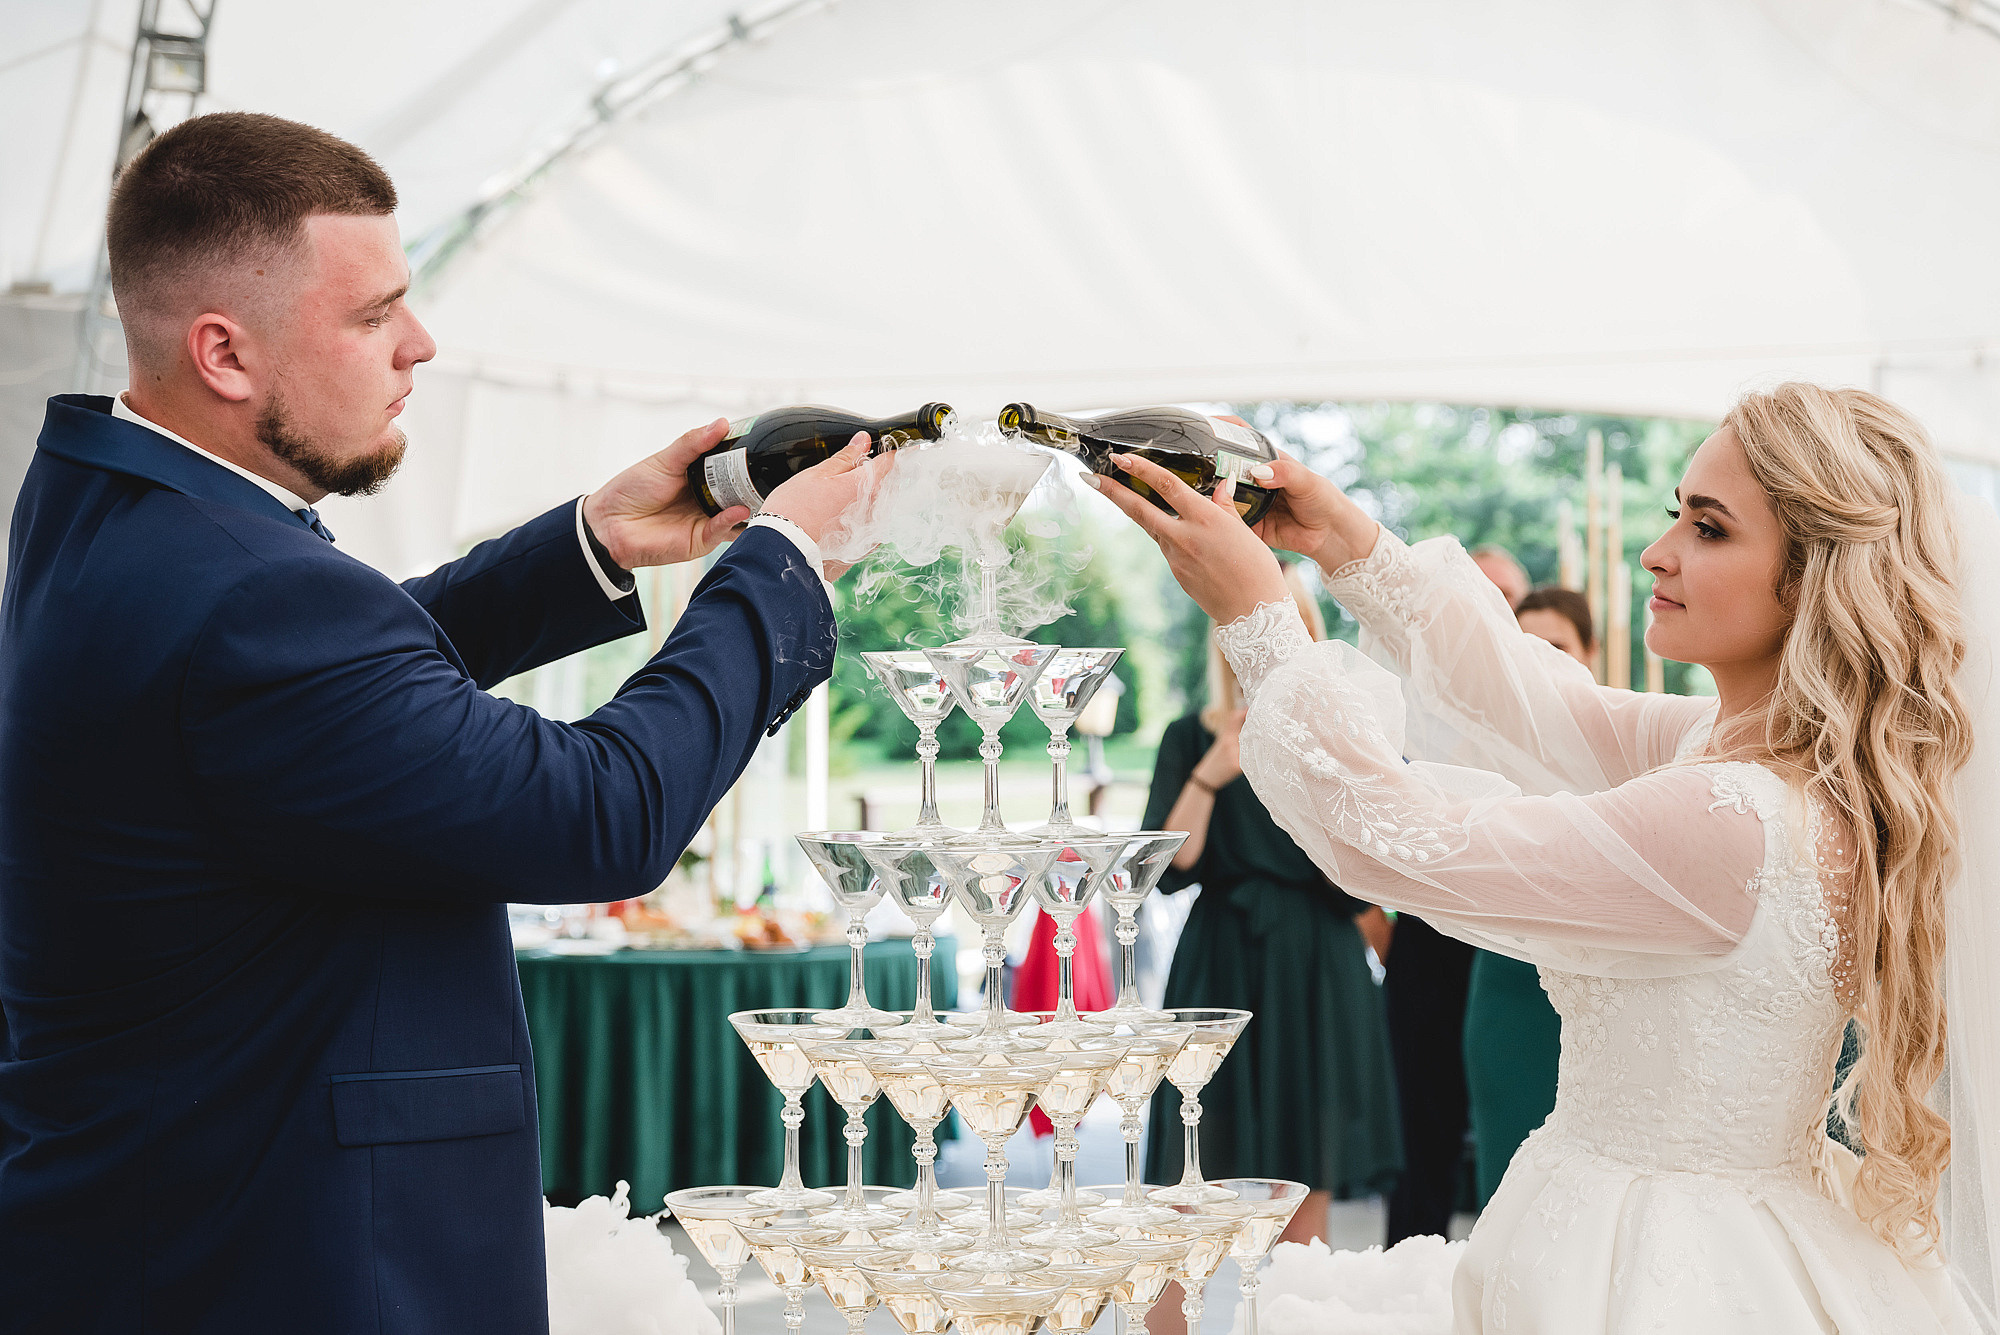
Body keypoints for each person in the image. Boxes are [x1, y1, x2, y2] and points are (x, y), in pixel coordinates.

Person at [0, 113, 885, 1334]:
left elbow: (329, 698)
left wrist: (586, 545)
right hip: (282, 1266)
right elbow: (601, 814)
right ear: (224, 353)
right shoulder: (250, 599)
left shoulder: (112, 508)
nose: (419, 344)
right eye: (374, 315)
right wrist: (779, 569)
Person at [1091, 387, 1995, 1330]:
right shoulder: (1766, 766)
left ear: (1814, 578)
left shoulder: (1734, 818)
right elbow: (1538, 703)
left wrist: (1260, 621)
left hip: (1660, 1265)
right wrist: (1346, 541)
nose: (1658, 551)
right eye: (1675, 513)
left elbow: (1405, 841)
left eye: (1710, 528)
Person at [1141, 562, 1401, 1257]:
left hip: (1316, 960)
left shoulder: (1340, 740)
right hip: (1221, 955)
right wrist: (1211, 774)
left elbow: (1361, 876)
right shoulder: (1190, 736)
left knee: (1307, 1160)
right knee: (1189, 1167)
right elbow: (1166, 869)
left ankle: (1292, 1305)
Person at [1377, 547, 1532, 1242]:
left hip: (1526, 936)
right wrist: (1379, 928)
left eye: (1507, 596)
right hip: (1430, 931)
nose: (1493, 607)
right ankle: (1413, 1267)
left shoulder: (1543, 708)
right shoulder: (1410, 697)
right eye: (1481, 591)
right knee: (1420, 1123)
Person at [1459, 586, 1594, 1208]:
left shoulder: (1630, 741)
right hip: (1510, 986)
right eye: (1526, 648)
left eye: (1557, 647)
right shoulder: (1477, 755)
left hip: (1605, 986)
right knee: (1510, 1176)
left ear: (1590, 651)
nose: (1541, 663)